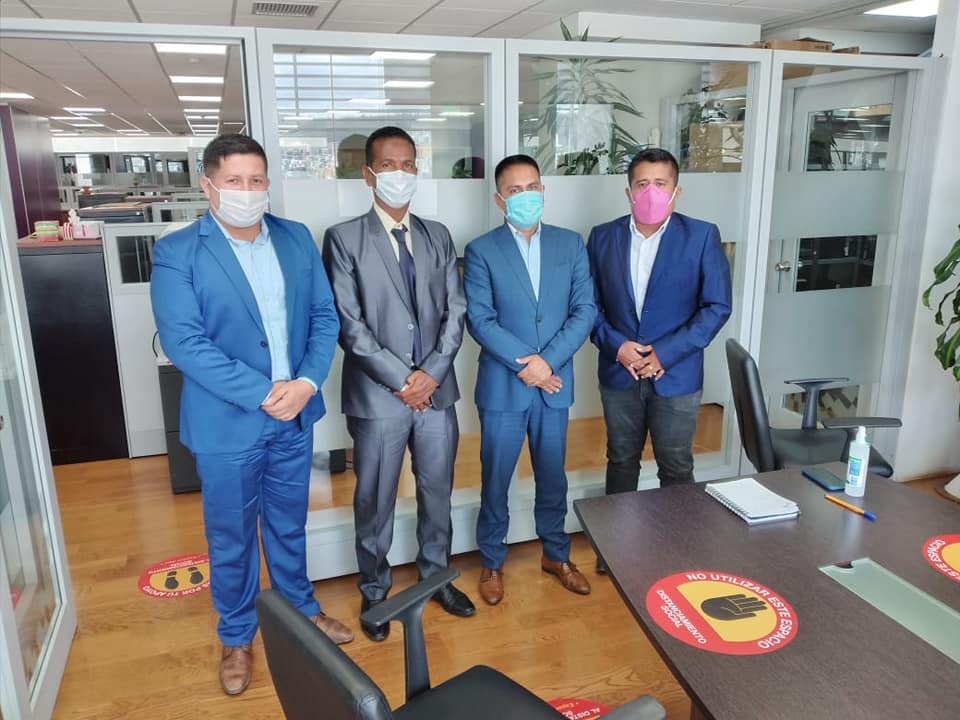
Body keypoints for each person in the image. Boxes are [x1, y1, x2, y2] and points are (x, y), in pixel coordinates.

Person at [150, 134, 351, 697]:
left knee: (288, 523)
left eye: (256, 180)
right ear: (208, 185)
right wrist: (265, 392)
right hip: (229, 422)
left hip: (294, 415)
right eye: (234, 181)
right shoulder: (178, 252)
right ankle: (237, 635)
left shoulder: (294, 237)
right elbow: (185, 343)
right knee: (232, 535)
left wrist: (306, 383)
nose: (247, 190)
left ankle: (300, 612)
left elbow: (324, 317)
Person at [322, 126, 475, 641]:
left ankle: (436, 579)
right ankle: (375, 592)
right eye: (388, 165)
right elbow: (349, 324)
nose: (400, 174)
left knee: (437, 493)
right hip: (377, 397)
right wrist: (401, 379)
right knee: (375, 499)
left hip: (436, 394)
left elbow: (455, 311)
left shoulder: (437, 235)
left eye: (408, 164)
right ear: (369, 175)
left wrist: (431, 373)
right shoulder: (344, 239)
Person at [464, 154, 597, 606]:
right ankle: (491, 561)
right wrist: (529, 366)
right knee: (496, 478)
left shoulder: (569, 244)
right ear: (499, 199)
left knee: (552, 475)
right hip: (505, 386)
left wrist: (547, 363)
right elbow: (480, 320)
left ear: (543, 190)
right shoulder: (481, 250)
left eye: (532, 187)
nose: (526, 196)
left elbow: (584, 310)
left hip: (552, 385)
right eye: (515, 190)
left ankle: (556, 555)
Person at [587, 148, 732, 561]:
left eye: (660, 183)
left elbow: (716, 306)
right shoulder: (602, 237)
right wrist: (617, 346)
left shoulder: (701, 236)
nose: (651, 191)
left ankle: (679, 552)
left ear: (676, 191)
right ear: (629, 191)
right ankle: (614, 551)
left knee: (676, 465)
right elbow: (587, 306)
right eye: (642, 184)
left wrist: (665, 353)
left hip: (676, 373)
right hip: (620, 371)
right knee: (621, 459)